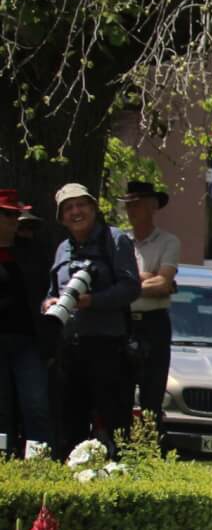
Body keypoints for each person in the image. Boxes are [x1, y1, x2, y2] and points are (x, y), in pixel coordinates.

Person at [40, 183, 139, 456]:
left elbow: (131, 288)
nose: (76, 212)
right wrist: (48, 304)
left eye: (81, 205)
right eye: (68, 208)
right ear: (61, 218)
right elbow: (51, 292)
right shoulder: (62, 249)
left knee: (114, 426)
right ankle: (70, 477)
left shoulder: (115, 240)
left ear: (94, 208)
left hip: (107, 347)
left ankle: (116, 477)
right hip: (70, 349)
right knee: (69, 426)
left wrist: (92, 301)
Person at [121, 180, 179, 438]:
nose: (131, 210)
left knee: (152, 394)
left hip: (154, 323)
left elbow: (163, 283)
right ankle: (118, 447)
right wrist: (146, 278)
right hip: (123, 322)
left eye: (137, 204)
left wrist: (128, 284)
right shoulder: (120, 241)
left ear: (153, 206)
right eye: (128, 205)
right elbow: (112, 283)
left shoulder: (168, 241)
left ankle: (149, 449)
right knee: (119, 390)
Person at [0, 191, 51, 456]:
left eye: (15, 215)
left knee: (35, 404)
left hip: (28, 341)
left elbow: (46, 292)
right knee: (1, 407)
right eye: (7, 215)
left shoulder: (31, 253)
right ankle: (4, 462)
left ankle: (37, 462)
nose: (13, 220)